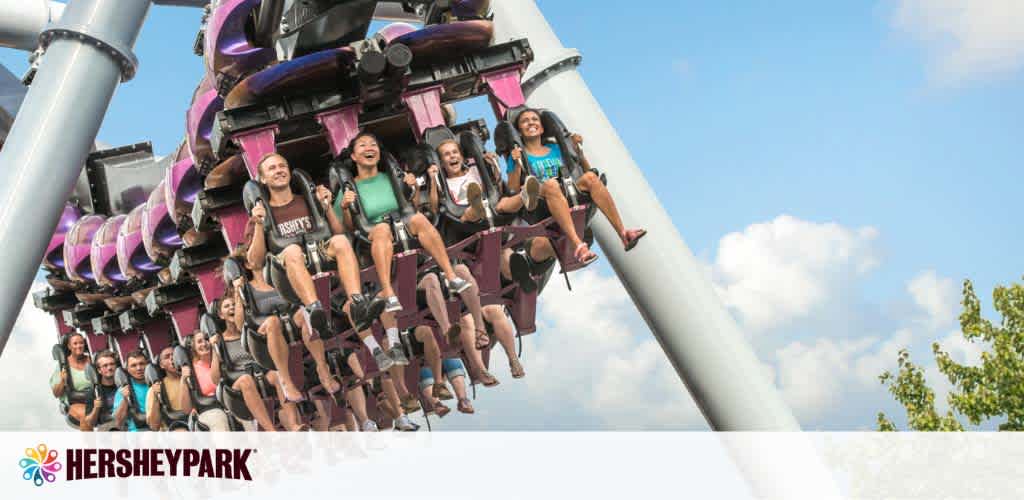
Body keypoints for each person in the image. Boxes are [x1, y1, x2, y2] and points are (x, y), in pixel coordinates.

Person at [248, 152, 384, 337]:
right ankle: (314, 310)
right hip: (287, 273)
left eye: (282, 166)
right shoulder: (261, 213)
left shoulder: (308, 201)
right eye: (272, 168)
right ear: (263, 179)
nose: (279, 170)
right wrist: (257, 223)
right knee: (292, 251)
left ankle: (357, 303)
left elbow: (339, 233)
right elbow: (254, 262)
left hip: (319, 255)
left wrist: (326, 206)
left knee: (340, 241)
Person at [332, 132, 470, 313]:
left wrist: (412, 188)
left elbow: (413, 207)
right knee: (381, 228)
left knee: (419, 219)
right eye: (363, 145)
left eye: (373, 144)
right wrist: (345, 207)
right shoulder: (350, 188)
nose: (369, 148)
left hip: (402, 224)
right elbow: (346, 229)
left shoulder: (392, 178)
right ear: (353, 156)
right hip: (373, 234)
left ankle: (451, 276)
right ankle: (388, 292)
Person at [506, 109, 647, 262]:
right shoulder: (518, 155)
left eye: (535, 119)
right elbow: (513, 188)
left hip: (567, 190)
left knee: (591, 178)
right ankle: (578, 245)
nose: (531, 122)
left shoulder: (556, 148)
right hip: (541, 202)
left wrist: (578, 151)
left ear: (542, 127)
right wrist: (516, 164)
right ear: (519, 131)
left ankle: (623, 233)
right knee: (551, 185)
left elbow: (586, 170)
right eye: (525, 121)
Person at [229, 227, 343, 403]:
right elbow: (239, 323)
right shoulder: (247, 287)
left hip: (292, 318)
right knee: (273, 322)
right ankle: (285, 379)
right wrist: (237, 291)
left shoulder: (276, 275)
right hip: (268, 328)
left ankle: (323, 369)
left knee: (305, 313)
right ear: (247, 264)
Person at [210, 295, 299, 431]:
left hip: (261, 374)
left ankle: (294, 425)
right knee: (246, 380)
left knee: (277, 374)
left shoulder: (250, 329)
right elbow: (215, 379)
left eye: (234, 304)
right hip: (240, 381)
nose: (232, 307)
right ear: (221, 315)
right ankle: (271, 430)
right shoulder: (220, 341)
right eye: (227, 306)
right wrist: (214, 350)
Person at [430, 139, 540, 223]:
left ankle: (525, 195)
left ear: (462, 157)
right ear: (441, 163)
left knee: (503, 203)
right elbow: (434, 208)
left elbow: (497, 187)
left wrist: (493, 166)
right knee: (470, 212)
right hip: (466, 217)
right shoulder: (445, 183)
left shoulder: (475, 170)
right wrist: (433, 180)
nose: (452, 156)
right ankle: (477, 206)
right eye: (447, 154)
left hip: (491, 206)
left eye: (455, 152)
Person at [181, 331, 233, 432]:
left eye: (206, 339)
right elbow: (186, 409)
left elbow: (218, 379)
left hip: (229, 402)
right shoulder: (191, 369)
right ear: (193, 347)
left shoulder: (222, 357)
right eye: (199, 342)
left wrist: (214, 350)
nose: (204, 343)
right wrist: (183, 380)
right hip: (209, 409)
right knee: (218, 419)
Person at [49, 333, 93, 430]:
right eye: (75, 343)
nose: (79, 346)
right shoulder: (63, 366)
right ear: (69, 346)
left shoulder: (91, 361)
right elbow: (56, 394)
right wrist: (62, 381)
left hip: (94, 398)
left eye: (81, 343)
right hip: (75, 402)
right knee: (86, 415)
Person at [146, 347, 190, 431]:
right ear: (161, 365)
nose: (172, 358)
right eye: (167, 357)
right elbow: (154, 426)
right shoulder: (155, 388)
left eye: (174, 355)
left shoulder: (192, 377)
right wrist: (155, 397)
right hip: (174, 427)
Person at [112, 350, 151, 432]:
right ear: (128, 369)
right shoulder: (122, 390)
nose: (139, 368)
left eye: (142, 364)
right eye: (133, 365)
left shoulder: (156, 382)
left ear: (147, 364)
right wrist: (125, 399)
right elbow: (118, 422)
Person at [81, 350, 118, 431]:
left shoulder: (123, 384)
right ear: (99, 370)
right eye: (105, 365)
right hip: (107, 428)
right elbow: (90, 423)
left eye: (112, 364)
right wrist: (96, 408)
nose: (109, 368)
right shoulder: (93, 392)